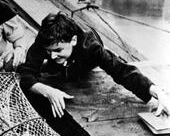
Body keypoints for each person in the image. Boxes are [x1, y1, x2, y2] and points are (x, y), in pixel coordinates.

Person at [18, 12, 170, 119]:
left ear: (74, 40)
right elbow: (26, 73)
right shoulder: (45, 40)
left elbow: (121, 70)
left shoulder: (92, 48)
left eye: (57, 50)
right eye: (48, 51)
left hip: (84, 62)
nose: (51, 55)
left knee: (78, 69)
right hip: (61, 65)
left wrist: (155, 91)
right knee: (45, 67)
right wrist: (47, 91)